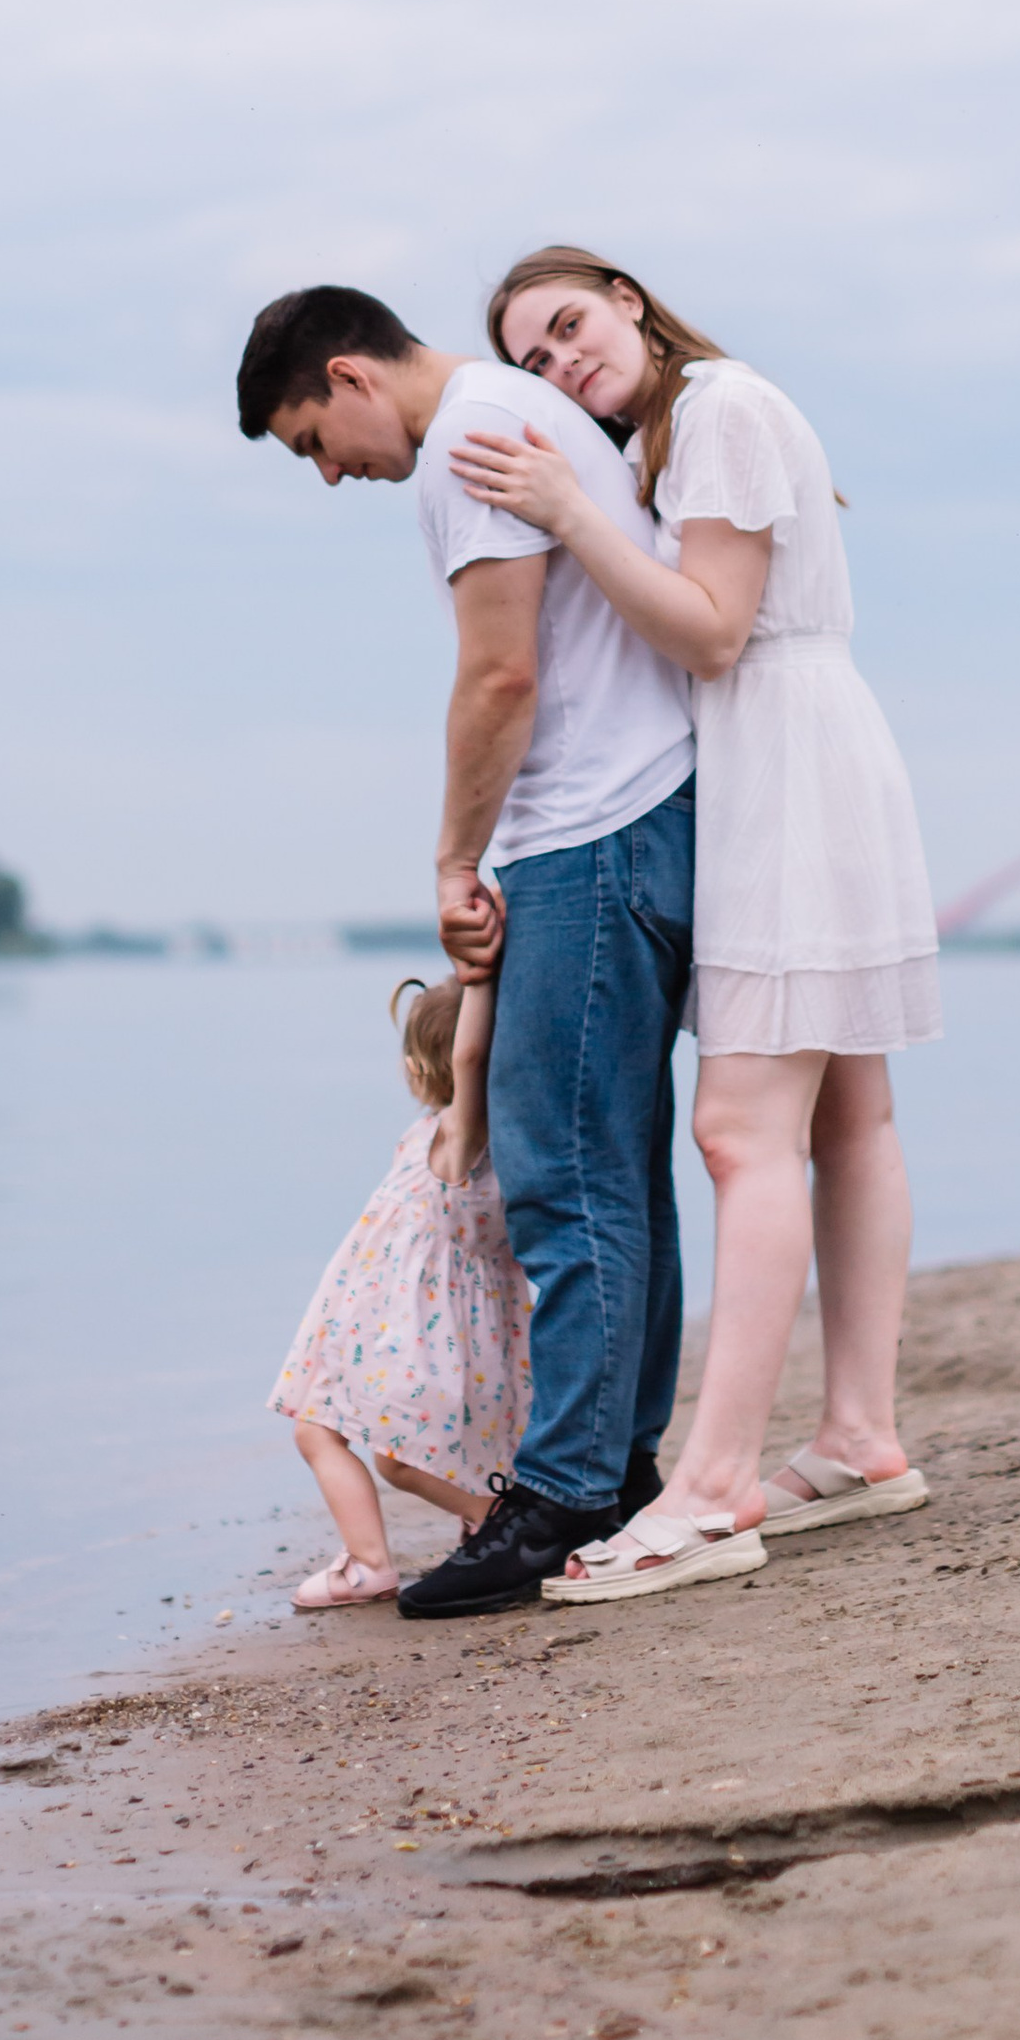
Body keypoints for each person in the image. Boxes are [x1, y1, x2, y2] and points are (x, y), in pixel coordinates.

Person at [454, 247, 938, 1605]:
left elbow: (715, 633)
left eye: (567, 328)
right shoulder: (692, 424)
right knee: (846, 1120)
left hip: (783, 756)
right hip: (801, 755)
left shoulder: (717, 407)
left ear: (626, 296)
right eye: (534, 363)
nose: (562, 364)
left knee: (739, 1129)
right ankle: (855, 1440)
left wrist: (566, 504)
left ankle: (717, 1484)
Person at [236, 285, 704, 1616]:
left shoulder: (469, 441)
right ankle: (609, 1476)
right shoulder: (524, 411)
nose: (331, 473)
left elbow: (500, 674)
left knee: (562, 1174)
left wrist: (455, 860)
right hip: (644, 819)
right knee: (616, 1170)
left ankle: (558, 1497)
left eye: (311, 440)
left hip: (592, 833)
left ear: (350, 378)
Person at [269, 971, 529, 1608]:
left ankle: (453, 1532)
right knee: (338, 1434)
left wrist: (483, 981)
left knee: (376, 1450)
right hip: (421, 1333)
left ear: (418, 1063)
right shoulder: (496, 1139)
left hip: (414, 1339)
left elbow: (468, 1055)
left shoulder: (457, 1140)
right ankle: (470, 1525)